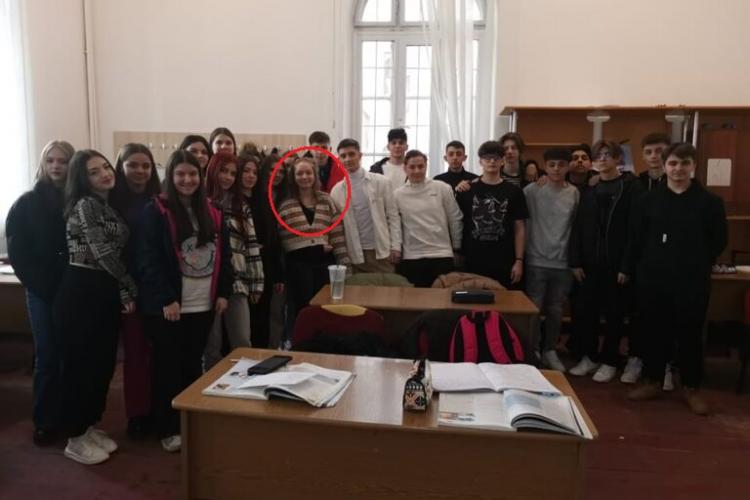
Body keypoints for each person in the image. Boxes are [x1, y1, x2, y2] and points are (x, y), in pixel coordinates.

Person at [137, 150, 232, 453]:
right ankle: (167, 427)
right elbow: (148, 259)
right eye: (180, 174)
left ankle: (188, 422)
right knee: (167, 367)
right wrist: (166, 298)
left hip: (202, 304)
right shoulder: (155, 210)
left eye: (192, 174)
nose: (187, 180)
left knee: (192, 365)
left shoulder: (212, 210)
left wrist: (223, 292)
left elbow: (225, 255)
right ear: (171, 176)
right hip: (170, 306)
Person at [626, 143, 727, 415]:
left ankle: (691, 387)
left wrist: (693, 259)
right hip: (653, 279)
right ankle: (652, 381)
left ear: (694, 166)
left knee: (690, 334)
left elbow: (718, 241)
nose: (678, 169)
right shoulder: (647, 201)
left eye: (684, 163)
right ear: (664, 165)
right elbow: (636, 239)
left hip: (691, 280)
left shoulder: (710, 203)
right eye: (673, 163)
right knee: (653, 330)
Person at [54, 149, 137, 464]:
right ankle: (75, 437)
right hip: (82, 289)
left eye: (105, 166)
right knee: (81, 366)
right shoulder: (86, 205)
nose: (104, 173)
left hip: (102, 288)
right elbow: (102, 251)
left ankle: (88, 426)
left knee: (101, 364)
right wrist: (129, 285)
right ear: (82, 179)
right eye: (93, 171)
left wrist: (120, 287)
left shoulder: (107, 205)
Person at [6, 140, 75, 446]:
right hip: (42, 291)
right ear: (43, 164)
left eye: (63, 161)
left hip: (74, 291)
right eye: (51, 161)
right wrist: (44, 286)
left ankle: (71, 415)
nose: (56, 166)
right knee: (47, 356)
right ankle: (45, 420)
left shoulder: (79, 200)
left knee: (72, 355)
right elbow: (19, 254)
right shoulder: (26, 203)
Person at [568, 140, 644, 383]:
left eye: (607, 155)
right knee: (586, 312)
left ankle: (610, 360)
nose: (602, 159)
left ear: (618, 159)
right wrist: (575, 261)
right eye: (598, 156)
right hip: (590, 264)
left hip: (616, 264)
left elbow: (634, 231)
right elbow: (578, 227)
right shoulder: (589, 189)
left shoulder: (630, 188)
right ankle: (589, 356)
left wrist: (626, 265)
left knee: (614, 315)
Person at [109, 143, 161, 439]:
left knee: (159, 353)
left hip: (157, 286)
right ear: (121, 166)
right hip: (128, 289)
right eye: (133, 165)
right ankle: (138, 414)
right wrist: (124, 290)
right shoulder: (111, 202)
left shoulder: (160, 200)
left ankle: (158, 408)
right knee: (136, 353)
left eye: (146, 166)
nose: (140, 171)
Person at [202, 153, 264, 370]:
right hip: (207, 283)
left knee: (242, 342)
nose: (227, 177)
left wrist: (257, 281)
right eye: (223, 171)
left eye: (232, 173)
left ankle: (244, 386)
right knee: (211, 346)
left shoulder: (240, 205)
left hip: (237, 282)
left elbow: (251, 245)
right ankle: (210, 389)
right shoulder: (200, 202)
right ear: (213, 170)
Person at [523, 148, 579, 370]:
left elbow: (577, 226)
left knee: (556, 310)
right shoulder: (531, 191)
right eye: (552, 165)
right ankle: (533, 349)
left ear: (568, 167)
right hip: (535, 260)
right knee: (534, 308)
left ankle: (550, 350)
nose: (556, 169)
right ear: (544, 166)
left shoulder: (574, 193)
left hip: (563, 262)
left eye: (561, 165)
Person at [278, 157, 350, 320]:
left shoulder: (327, 201)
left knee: (324, 311)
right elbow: (286, 244)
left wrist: (346, 267)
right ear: (293, 177)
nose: (304, 177)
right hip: (297, 270)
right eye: (299, 173)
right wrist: (317, 248)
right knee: (302, 312)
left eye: (308, 172)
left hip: (324, 268)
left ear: (315, 175)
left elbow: (337, 237)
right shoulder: (286, 205)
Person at [456, 141, 528, 289]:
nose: (492, 161)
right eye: (487, 158)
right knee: (472, 300)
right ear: (480, 161)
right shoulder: (467, 190)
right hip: (472, 259)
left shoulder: (514, 192)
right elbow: (457, 224)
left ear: (502, 161)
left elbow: (520, 228)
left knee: (504, 301)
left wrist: (519, 260)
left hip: (504, 260)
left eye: (496, 158)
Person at [330, 138, 402, 273]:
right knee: (358, 287)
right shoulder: (336, 191)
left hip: (382, 251)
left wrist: (396, 247)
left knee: (387, 286)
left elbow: (393, 217)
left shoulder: (382, 182)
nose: (348, 159)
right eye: (343, 156)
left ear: (360, 155)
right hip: (354, 254)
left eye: (351, 154)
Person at [394, 150, 462, 287]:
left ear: (426, 166)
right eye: (412, 167)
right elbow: (395, 226)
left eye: (421, 166)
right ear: (405, 168)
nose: (417, 171)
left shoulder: (442, 188)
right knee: (414, 298)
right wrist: (396, 249)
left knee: (442, 298)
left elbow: (455, 219)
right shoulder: (397, 195)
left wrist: (457, 248)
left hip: (442, 255)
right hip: (412, 257)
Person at [241, 154, 284, 348]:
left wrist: (278, 275)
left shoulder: (263, 200)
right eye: (246, 171)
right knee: (243, 322)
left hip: (264, 266)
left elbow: (273, 239)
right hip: (241, 268)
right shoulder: (231, 201)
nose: (251, 176)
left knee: (263, 318)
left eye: (254, 172)